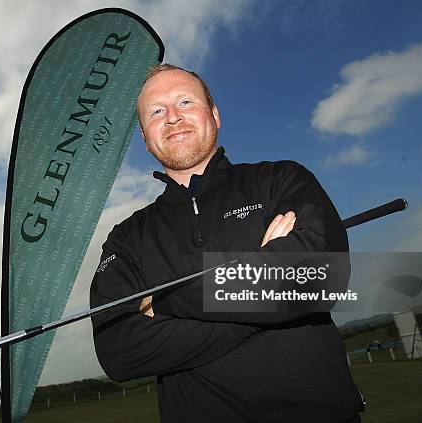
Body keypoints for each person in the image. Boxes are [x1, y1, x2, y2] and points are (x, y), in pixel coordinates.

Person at [89, 64, 364, 422]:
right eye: (157, 111)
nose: (173, 117)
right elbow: (119, 352)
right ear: (145, 136)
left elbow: (316, 278)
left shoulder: (280, 180)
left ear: (214, 114)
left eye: (185, 102)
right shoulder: (127, 237)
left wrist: (165, 300)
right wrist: (261, 289)